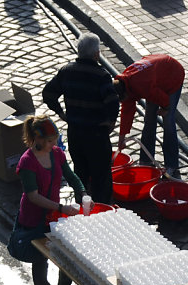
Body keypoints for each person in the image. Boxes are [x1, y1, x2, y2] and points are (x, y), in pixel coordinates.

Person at [14, 115, 85, 285]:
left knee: (66, 254)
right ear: (37, 139)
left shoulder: (56, 154)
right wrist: (61, 208)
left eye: (55, 139)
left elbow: (70, 176)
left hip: (53, 214)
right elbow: (33, 196)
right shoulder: (27, 162)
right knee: (40, 259)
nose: (54, 144)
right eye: (50, 140)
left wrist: (82, 191)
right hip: (34, 217)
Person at [42, 33, 119, 204]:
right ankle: (103, 210)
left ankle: (81, 209)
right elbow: (113, 103)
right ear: (96, 54)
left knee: (80, 176)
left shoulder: (66, 71)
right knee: (101, 178)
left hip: (76, 134)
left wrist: (61, 113)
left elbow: (48, 93)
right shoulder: (101, 76)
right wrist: (110, 121)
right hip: (97, 136)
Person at [114, 54, 185, 178]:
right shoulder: (125, 82)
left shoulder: (140, 84)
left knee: (168, 122)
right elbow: (127, 111)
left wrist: (165, 109)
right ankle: (146, 161)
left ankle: (172, 166)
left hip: (173, 75)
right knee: (149, 120)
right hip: (155, 77)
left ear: (124, 94)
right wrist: (121, 138)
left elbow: (163, 99)